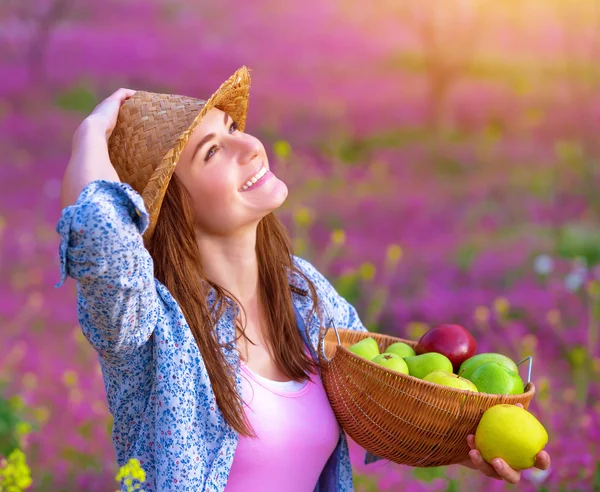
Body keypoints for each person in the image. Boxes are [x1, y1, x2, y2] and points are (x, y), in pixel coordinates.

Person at [57, 66, 551, 491]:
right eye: (212, 152)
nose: (250, 146)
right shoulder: (148, 327)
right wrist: (91, 134)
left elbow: (383, 400)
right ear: (173, 209)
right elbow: (102, 236)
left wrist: (461, 438)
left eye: (234, 127)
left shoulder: (304, 296)